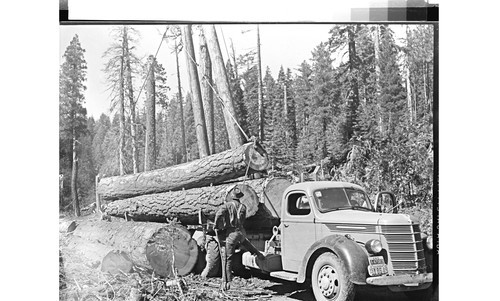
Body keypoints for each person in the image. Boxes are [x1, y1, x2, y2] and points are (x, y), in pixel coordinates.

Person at [214, 187, 248, 289]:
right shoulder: (243, 207)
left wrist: (216, 225)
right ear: (239, 198)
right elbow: (244, 219)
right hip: (241, 233)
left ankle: (227, 282)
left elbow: (219, 214)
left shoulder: (227, 205)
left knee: (228, 258)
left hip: (232, 233)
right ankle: (260, 256)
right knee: (249, 247)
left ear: (232, 197)